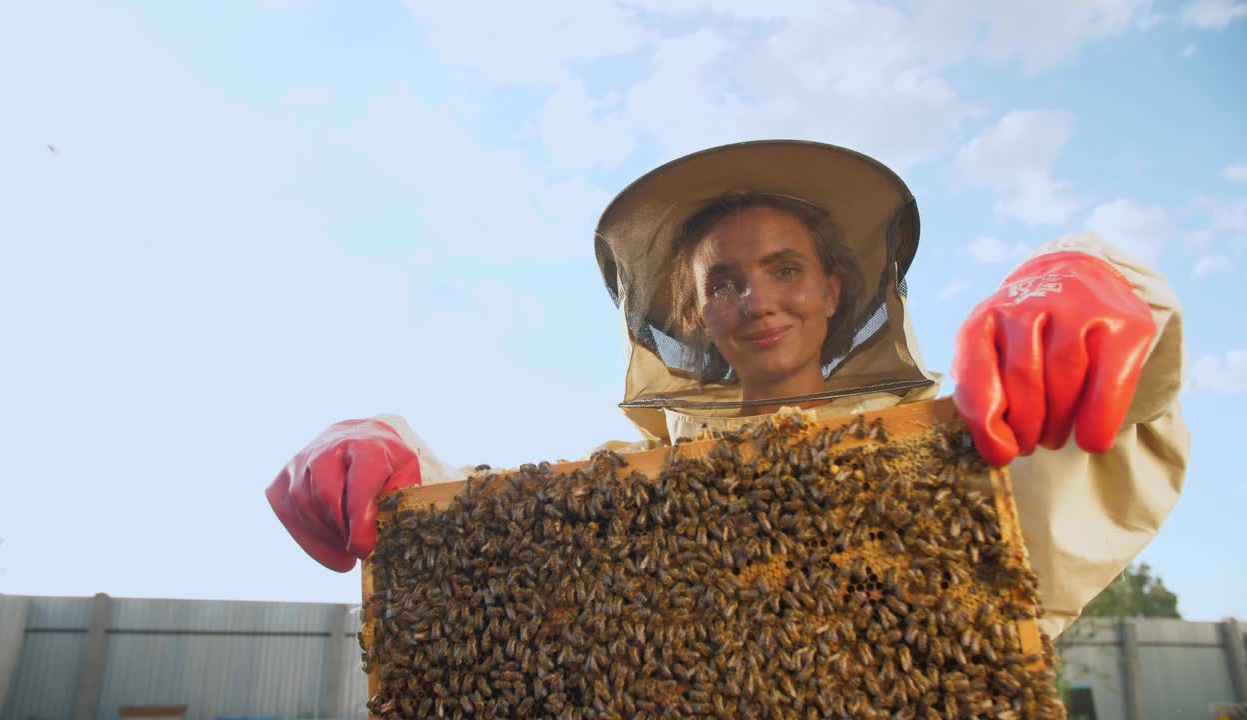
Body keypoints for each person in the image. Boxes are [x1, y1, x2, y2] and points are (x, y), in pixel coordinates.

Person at [266, 140, 1188, 640]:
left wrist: (1096, 283)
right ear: (695, 316)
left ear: (836, 289)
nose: (758, 300)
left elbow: (1117, 414)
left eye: (786, 268)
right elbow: (487, 538)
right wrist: (384, 453)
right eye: (723, 281)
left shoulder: (950, 455)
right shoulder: (639, 485)